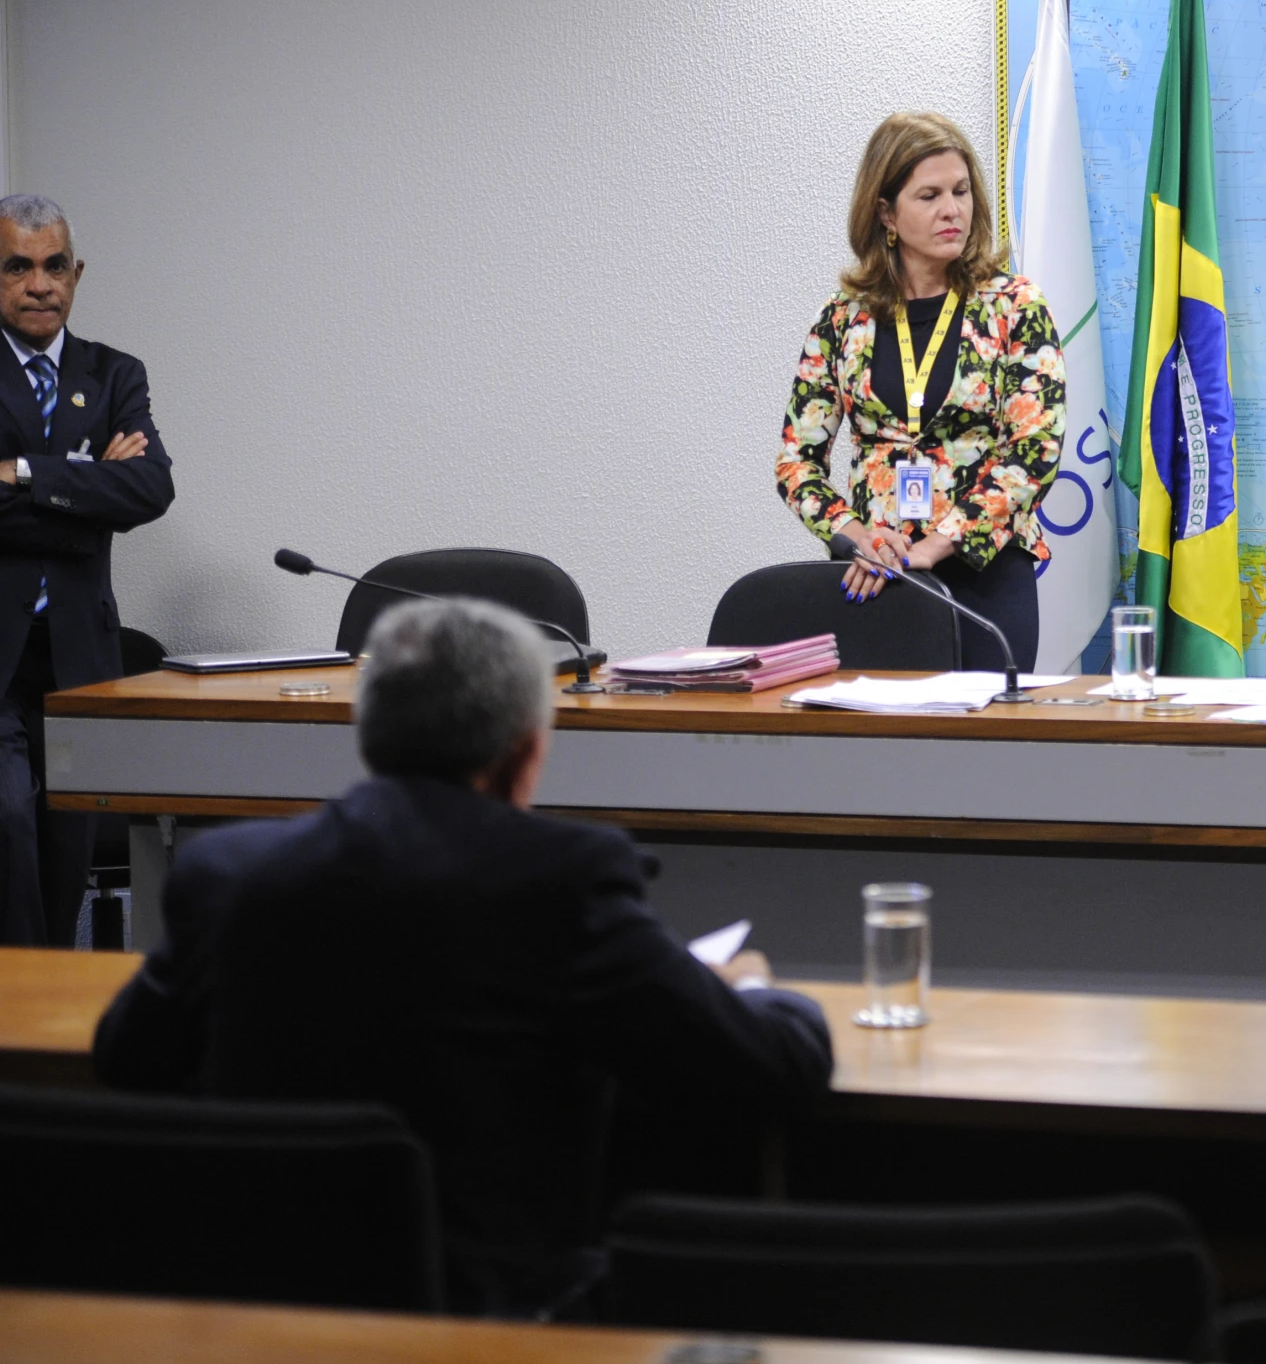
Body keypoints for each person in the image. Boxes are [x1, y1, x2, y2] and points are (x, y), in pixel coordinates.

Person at [93, 599, 833, 1316]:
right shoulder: (559, 880)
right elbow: (772, 1066)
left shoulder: (225, 872)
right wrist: (759, 990)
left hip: (255, 1311)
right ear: (526, 752)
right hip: (491, 1314)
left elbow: (127, 1058)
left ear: (365, 733)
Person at [777, 111, 1066, 672]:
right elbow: (796, 464)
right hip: (877, 575)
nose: (952, 209)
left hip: (986, 575)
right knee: (879, 754)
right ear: (886, 212)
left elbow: (1035, 450)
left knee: (981, 752)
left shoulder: (1014, 307)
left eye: (961, 191)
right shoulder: (840, 320)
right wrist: (854, 536)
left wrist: (937, 545)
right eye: (929, 195)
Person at [0, 195, 172, 946]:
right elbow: (111, 497)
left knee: (69, 838)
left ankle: (51, 1001)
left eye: (54, 266)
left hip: (78, 653)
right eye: (18, 266)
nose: (39, 285)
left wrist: (22, 476)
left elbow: (148, 488)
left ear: (77, 273)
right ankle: (22, 1009)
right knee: (7, 824)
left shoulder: (113, 374)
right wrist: (83, 484)